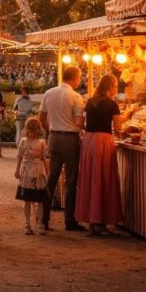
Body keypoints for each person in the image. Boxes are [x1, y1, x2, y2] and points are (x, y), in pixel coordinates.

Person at [76, 74, 125, 236]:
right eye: (115, 86)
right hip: (103, 141)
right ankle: (102, 223)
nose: (116, 89)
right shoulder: (112, 104)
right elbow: (118, 127)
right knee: (104, 179)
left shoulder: (90, 102)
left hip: (89, 140)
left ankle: (91, 224)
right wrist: (129, 116)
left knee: (90, 179)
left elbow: (81, 123)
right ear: (109, 86)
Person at [40, 66, 86, 232]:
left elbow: (42, 118)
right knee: (71, 180)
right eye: (79, 78)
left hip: (54, 137)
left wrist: (51, 129)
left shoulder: (49, 93)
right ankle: (69, 220)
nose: (80, 81)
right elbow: (79, 122)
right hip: (69, 138)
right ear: (74, 78)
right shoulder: (75, 96)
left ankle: (44, 218)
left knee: (52, 178)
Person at [14, 116, 50, 235]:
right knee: (27, 200)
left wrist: (47, 172)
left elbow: (45, 159)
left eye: (36, 130)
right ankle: (27, 224)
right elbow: (19, 156)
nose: (33, 132)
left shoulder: (42, 142)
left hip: (38, 173)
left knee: (40, 200)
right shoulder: (23, 141)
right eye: (31, 129)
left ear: (39, 130)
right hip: (26, 174)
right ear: (27, 130)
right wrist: (17, 171)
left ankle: (40, 224)